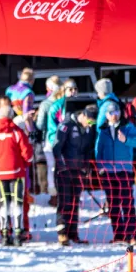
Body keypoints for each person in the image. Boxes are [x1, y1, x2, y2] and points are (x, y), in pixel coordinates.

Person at [0, 104, 32, 246]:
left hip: (0, 173)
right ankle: (17, 233)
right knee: (17, 202)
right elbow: (27, 152)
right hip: (16, 172)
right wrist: (25, 163)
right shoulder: (16, 131)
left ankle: (4, 234)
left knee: (4, 203)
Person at [95, 101, 136, 244]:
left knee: (127, 203)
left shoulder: (128, 127)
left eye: (116, 112)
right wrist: (100, 166)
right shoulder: (103, 131)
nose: (114, 116)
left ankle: (132, 235)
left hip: (124, 171)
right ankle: (119, 235)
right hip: (109, 172)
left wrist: (126, 139)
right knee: (113, 204)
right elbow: (99, 150)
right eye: (111, 113)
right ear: (106, 115)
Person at [52, 105, 97, 245]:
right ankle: (62, 233)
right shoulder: (67, 126)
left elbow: (88, 149)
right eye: (89, 121)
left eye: (92, 123)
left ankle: (73, 233)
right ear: (83, 115)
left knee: (75, 202)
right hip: (64, 171)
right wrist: (62, 166)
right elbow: (57, 148)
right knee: (65, 201)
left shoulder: (89, 129)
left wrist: (86, 167)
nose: (90, 124)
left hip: (79, 171)